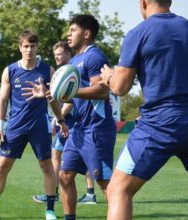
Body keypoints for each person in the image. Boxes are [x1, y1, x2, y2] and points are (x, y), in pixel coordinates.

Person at [100, 0, 188, 219]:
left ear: (143, 2)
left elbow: (120, 87)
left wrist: (109, 77)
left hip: (159, 123)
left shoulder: (138, 33)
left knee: (118, 189)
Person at [23, 15, 116, 220]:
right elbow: (69, 97)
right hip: (78, 131)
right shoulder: (74, 61)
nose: (68, 33)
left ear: (87, 33)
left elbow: (102, 91)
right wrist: (49, 93)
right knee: (65, 177)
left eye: (73, 29)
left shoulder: (95, 57)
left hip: (96, 129)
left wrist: (69, 92)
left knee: (105, 183)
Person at [0, 31, 67, 220]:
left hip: (40, 126)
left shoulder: (47, 70)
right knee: (2, 167)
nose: (29, 50)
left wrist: (61, 120)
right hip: (15, 127)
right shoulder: (10, 70)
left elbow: (54, 99)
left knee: (47, 166)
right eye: (26, 46)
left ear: (37, 48)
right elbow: (3, 100)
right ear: (20, 48)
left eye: (33, 46)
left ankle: (49, 211)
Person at [32, 41, 98, 205]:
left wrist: (58, 117)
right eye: (55, 55)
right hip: (67, 122)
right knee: (60, 154)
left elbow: (71, 100)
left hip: (74, 123)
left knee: (65, 155)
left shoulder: (73, 71)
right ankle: (80, 193)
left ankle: (55, 194)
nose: (57, 57)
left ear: (69, 54)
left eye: (60, 54)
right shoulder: (62, 72)